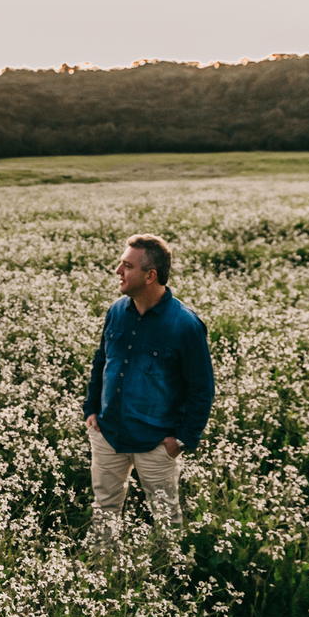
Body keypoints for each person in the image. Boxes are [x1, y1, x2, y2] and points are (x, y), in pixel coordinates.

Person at [83, 234, 214, 545]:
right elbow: (101, 362)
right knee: (104, 509)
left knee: (166, 518)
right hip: (108, 433)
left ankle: (169, 568)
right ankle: (102, 566)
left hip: (156, 441)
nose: (118, 271)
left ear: (150, 275)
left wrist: (182, 439)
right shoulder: (117, 310)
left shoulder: (185, 324)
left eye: (127, 266)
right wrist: (91, 411)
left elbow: (202, 388)